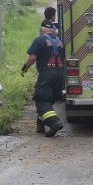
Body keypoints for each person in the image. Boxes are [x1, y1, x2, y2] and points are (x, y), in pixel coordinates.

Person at [21, 7, 65, 137]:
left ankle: (53, 122)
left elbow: (32, 58)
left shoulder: (39, 39)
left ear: (41, 29)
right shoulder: (59, 42)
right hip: (60, 75)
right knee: (49, 99)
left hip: (47, 74)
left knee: (41, 101)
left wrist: (25, 68)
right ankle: (41, 124)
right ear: (52, 30)